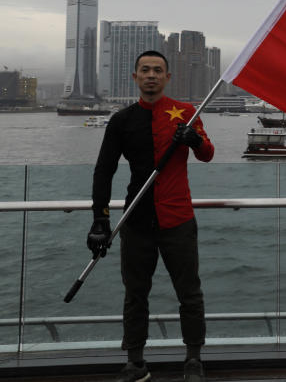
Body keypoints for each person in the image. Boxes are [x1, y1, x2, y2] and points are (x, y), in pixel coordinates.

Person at [88, 50, 214, 382]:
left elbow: (207, 154)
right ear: (135, 77)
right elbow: (104, 171)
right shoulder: (122, 120)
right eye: (145, 70)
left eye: (158, 70)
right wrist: (100, 220)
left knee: (189, 293)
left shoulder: (186, 113)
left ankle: (193, 360)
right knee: (135, 294)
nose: (151, 75)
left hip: (178, 219)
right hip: (137, 220)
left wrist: (194, 139)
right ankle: (135, 363)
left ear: (167, 77)